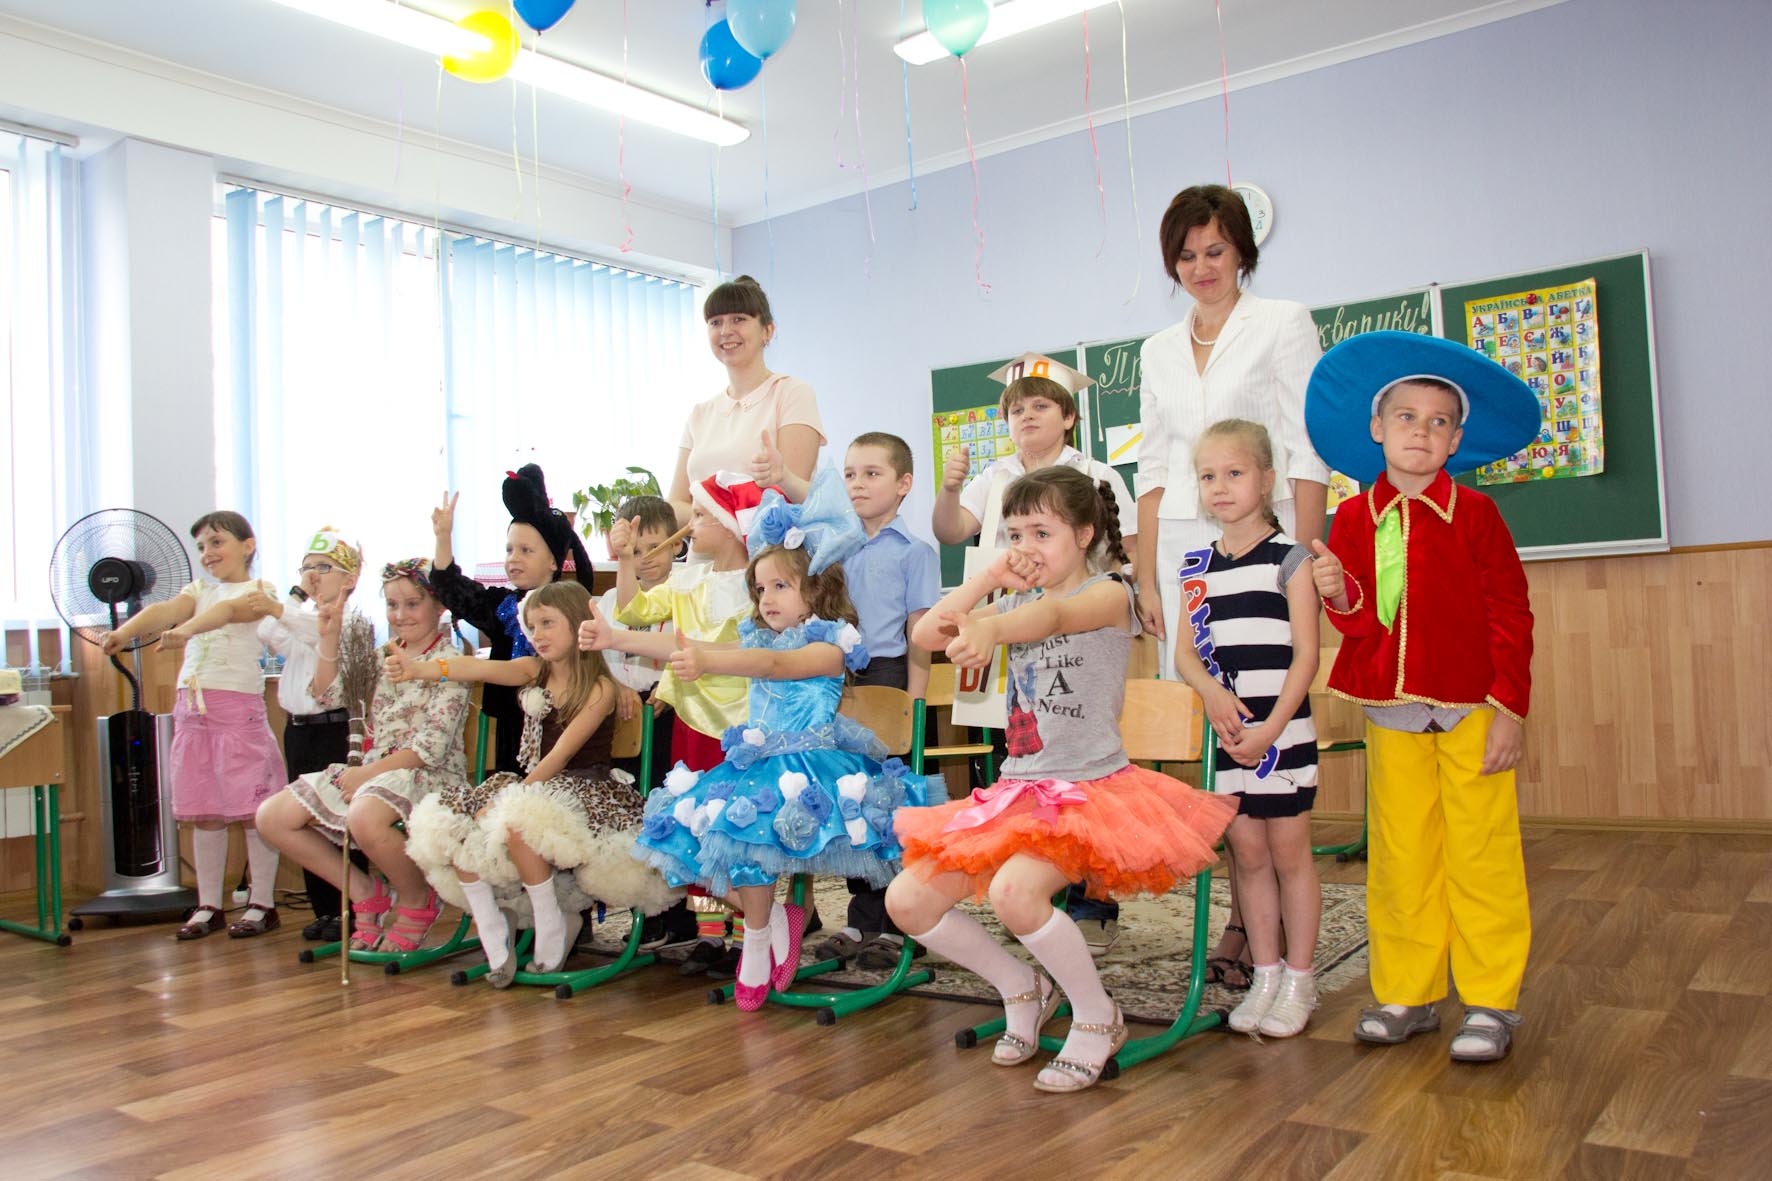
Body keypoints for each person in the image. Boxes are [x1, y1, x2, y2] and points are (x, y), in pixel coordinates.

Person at [889, 467, 1237, 1092]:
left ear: (1083, 534)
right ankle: (1022, 986)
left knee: (1015, 894)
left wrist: (990, 627)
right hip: (1018, 789)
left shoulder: (1111, 594)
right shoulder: (1013, 599)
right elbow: (923, 633)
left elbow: (1053, 618)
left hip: (1087, 791)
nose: (1026, 547)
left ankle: (1099, 1015)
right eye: (1014, 534)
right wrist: (988, 580)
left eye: (1041, 533)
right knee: (906, 901)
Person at [1304, 330, 1538, 1063]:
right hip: (1392, 712)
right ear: (1377, 428)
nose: (1421, 432)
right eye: (1406, 417)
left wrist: (1508, 709)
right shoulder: (1352, 519)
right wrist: (1338, 592)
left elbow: (1511, 614)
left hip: (1473, 709)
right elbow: (1360, 624)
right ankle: (1409, 991)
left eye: (1439, 422)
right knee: (1402, 855)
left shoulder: (1477, 516)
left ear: (1457, 440)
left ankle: (1491, 999)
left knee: (1482, 854)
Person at [615, 467, 928, 1011]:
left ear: (816, 588)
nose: (766, 598)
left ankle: (766, 935)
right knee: (719, 843)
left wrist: (708, 660)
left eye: (781, 586)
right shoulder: (757, 634)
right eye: (760, 589)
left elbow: (773, 665)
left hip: (812, 768)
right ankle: (764, 931)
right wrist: (614, 636)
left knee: (750, 838)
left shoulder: (831, 645)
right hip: (759, 763)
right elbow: (690, 646)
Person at [1133, 183, 1331, 981]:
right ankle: (1243, 913)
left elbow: (1306, 446)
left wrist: (1304, 555)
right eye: (1186, 255)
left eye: (1215, 250)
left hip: (1262, 542)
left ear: (1242, 250)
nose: (1201, 266)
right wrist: (1147, 575)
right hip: (1185, 549)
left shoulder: (1282, 321)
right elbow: (1152, 465)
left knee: (1263, 712)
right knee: (1207, 722)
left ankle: (1261, 930)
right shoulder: (1156, 348)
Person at [930, 353, 1138, 956]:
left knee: (1082, 760)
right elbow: (951, 531)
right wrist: (950, 488)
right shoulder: (995, 475)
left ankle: (1092, 903)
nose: (1026, 417)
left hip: (1079, 622)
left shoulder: (1094, 474)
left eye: (1040, 405)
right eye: (1016, 409)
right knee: (1025, 745)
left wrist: (1137, 597)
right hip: (1012, 623)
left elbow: (1127, 549)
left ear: (1068, 416)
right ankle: (1030, 892)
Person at [399, 581, 681, 985]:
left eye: (548, 623)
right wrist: (421, 669)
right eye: (532, 627)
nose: (538, 635)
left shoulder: (599, 687)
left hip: (582, 791)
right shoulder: (534, 670)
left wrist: (511, 797)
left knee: (518, 821)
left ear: (579, 624)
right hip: (536, 785)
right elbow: (479, 668)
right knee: (456, 824)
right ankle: (492, 926)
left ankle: (551, 922)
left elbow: (561, 755)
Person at [1170, 420, 1322, 1037]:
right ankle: (1264, 975)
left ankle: (1299, 980)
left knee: (1289, 855)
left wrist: (1272, 729)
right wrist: (1211, 695)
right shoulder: (1196, 567)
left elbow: (1306, 657)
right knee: (1249, 855)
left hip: (1280, 736)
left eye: (1234, 473)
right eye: (1208, 476)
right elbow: (1186, 655)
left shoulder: (1291, 560)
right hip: (1230, 738)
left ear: (1266, 479)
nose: (1220, 487)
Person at [590, 471, 761, 977]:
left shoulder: (756, 586)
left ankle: (750, 932)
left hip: (739, 730)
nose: (691, 523)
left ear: (729, 524)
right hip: (691, 722)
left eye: (702, 515)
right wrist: (625, 560)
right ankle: (711, 933)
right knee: (694, 823)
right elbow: (633, 611)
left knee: (736, 828)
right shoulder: (688, 580)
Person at [170, 527, 379, 940]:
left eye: (324, 567)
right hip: (299, 731)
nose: (313, 575)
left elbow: (317, 630)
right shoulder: (301, 617)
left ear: (351, 578)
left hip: (336, 730)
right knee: (308, 822)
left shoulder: (351, 621)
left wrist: (281, 606)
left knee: (340, 822)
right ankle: (326, 910)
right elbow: (268, 631)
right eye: (306, 568)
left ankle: (354, 910)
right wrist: (296, 595)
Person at [255, 560, 471, 953]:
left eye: (412, 604)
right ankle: (365, 891)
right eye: (392, 605)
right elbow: (328, 695)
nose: (400, 615)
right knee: (272, 817)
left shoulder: (449, 663)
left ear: (439, 606)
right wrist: (328, 639)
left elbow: (430, 748)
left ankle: (416, 898)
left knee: (364, 815)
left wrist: (366, 775)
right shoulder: (381, 656)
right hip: (375, 773)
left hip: (428, 776)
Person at [99, 511, 287, 941]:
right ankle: (209, 905)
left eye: (217, 542)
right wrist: (125, 633)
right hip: (192, 710)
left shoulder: (261, 592)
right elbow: (165, 609)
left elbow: (227, 612)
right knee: (206, 811)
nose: (207, 553)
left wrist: (185, 631)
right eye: (201, 546)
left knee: (254, 809)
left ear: (247, 545)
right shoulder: (198, 590)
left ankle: (263, 903)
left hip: (236, 709)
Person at [805, 431, 940, 970]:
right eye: (850, 474)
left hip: (890, 678)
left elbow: (920, 634)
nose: (857, 484)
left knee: (892, 807)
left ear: (903, 484)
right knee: (851, 801)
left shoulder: (915, 552)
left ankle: (905, 924)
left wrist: (915, 703)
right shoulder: (831, 549)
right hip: (838, 680)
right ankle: (863, 920)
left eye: (872, 473)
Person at [430, 464, 603, 777]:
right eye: (509, 549)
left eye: (526, 550)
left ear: (553, 561)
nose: (514, 558)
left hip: (564, 731)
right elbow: (451, 587)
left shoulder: (572, 607)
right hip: (512, 732)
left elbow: (593, 661)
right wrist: (443, 538)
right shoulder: (501, 606)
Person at [598, 494, 702, 955]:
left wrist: (667, 687)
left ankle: (682, 916)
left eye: (654, 547)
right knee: (636, 811)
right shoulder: (610, 599)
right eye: (634, 550)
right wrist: (614, 685)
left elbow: (694, 648)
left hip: (670, 710)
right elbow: (599, 653)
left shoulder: (687, 589)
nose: (644, 559)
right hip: (625, 713)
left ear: (677, 545)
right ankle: (649, 910)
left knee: (671, 810)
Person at [669, 275, 825, 524]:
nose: (725, 331)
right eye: (715, 322)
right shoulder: (700, 413)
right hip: (703, 547)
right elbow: (676, 504)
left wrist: (709, 517)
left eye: (739, 319)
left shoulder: (792, 393)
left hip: (769, 547)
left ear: (768, 331)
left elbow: (789, 498)